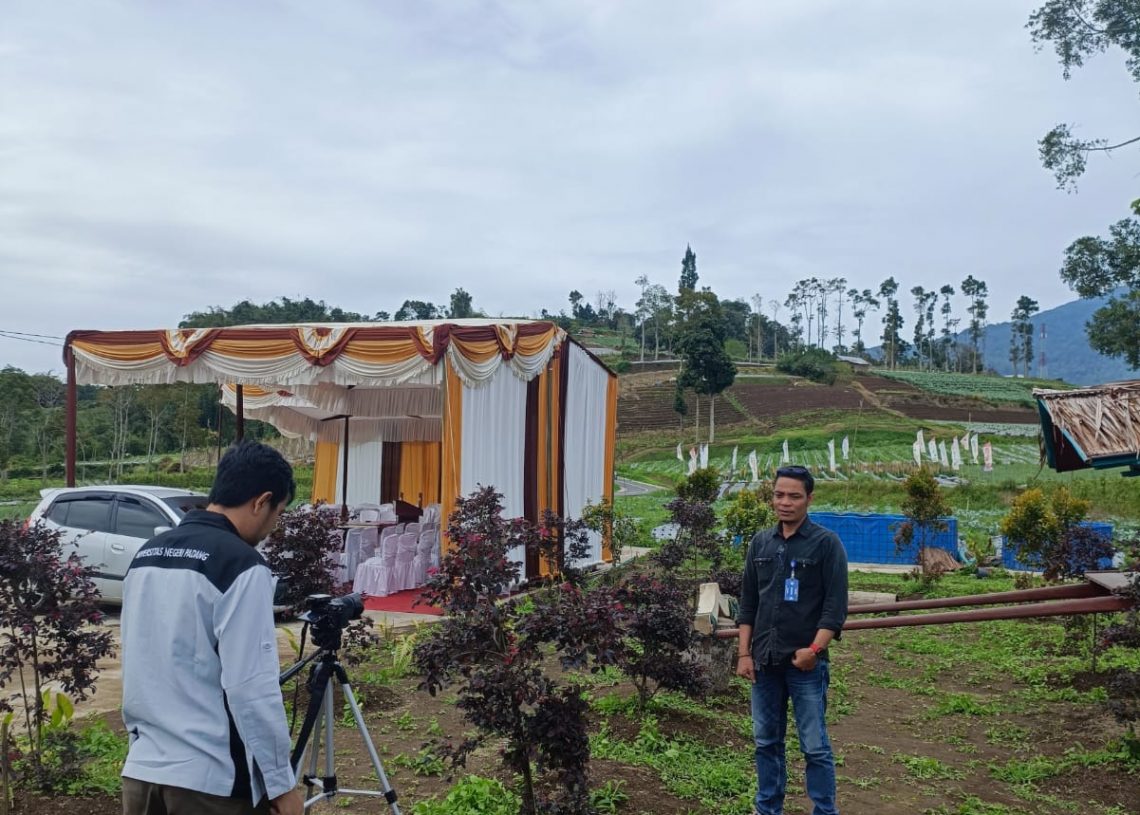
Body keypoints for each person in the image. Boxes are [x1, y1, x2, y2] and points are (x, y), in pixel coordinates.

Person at [120, 441, 304, 815]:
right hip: (210, 784)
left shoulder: (148, 554)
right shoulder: (241, 565)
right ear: (261, 501)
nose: (273, 526)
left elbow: (138, 662)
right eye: (278, 513)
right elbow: (251, 687)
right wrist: (281, 785)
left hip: (142, 773)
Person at [735, 465, 848, 815]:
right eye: (779, 495)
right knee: (766, 742)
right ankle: (768, 808)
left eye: (794, 496)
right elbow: (748, 601)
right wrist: (743, 653)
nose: (785, 502)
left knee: (814, 746)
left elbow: (835, 607)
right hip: (765, 664)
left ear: (809, 499)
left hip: (805, 666)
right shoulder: (761, 543)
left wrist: (815, 650)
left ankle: (824, 811)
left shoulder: (826, 544)